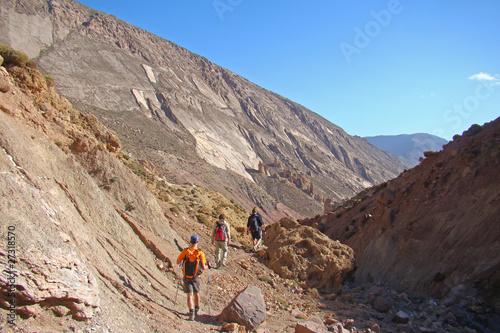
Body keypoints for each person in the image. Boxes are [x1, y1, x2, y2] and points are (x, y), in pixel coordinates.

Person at [177, 235, 208, 321]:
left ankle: (191, 313)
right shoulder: (200, 253)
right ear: (197, 242)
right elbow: (204, 267)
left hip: (186, 276)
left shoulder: (185, 251)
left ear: (190, 242)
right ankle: (197, 310)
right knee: (196, 293)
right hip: (196, 276)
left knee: (189, 295)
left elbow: (178, 261)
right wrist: (207, 266)